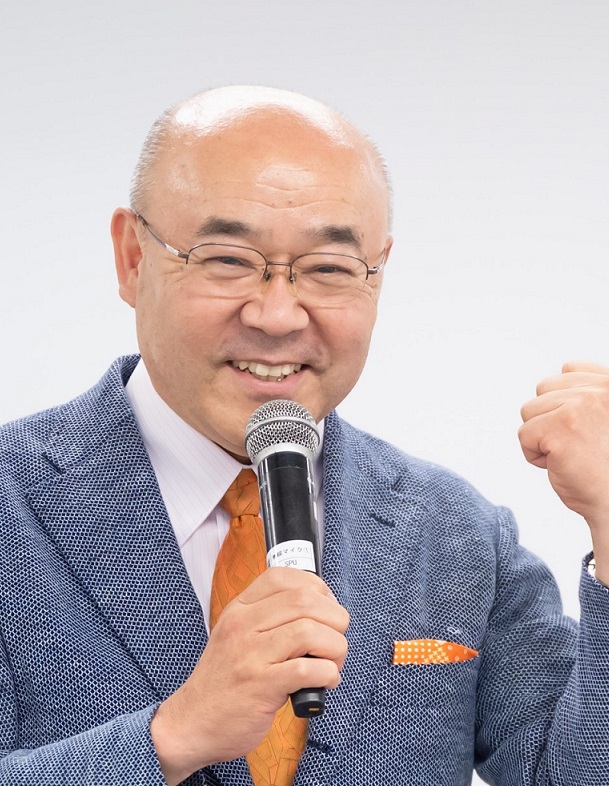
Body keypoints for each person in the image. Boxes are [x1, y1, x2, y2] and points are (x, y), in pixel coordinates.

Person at [0, 85, 608, 786]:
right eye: (228, 259)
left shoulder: (456, 534)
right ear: (133, 258)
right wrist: (171, 737)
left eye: (328, 269)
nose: (278, 315)